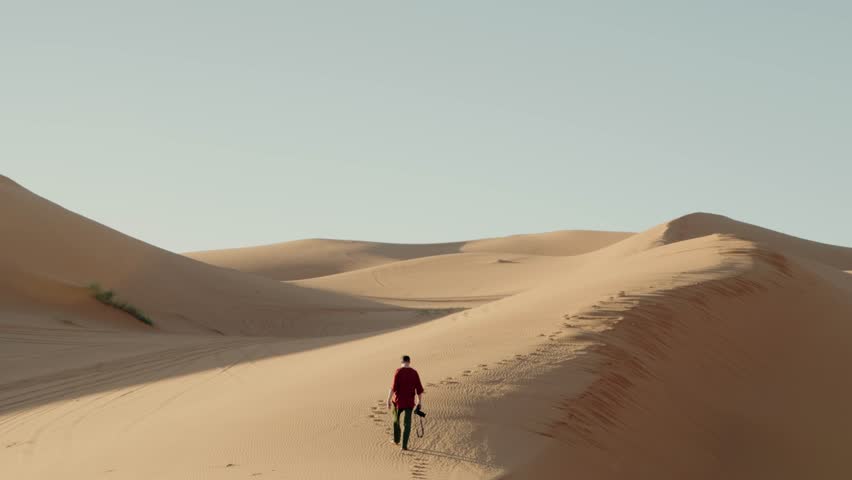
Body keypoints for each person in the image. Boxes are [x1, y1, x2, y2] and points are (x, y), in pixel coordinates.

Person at [386, 355, 424, 451]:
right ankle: (404, 446)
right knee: (407, 424)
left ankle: (396, 440)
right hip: (409, 402)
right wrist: (419, 402)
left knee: (396, 421)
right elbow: (419, 390)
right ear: (409, 362)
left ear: (401, 362)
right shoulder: (414, 373)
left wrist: (388, 400)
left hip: (397, 402)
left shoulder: (398, 372)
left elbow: (393, 388)